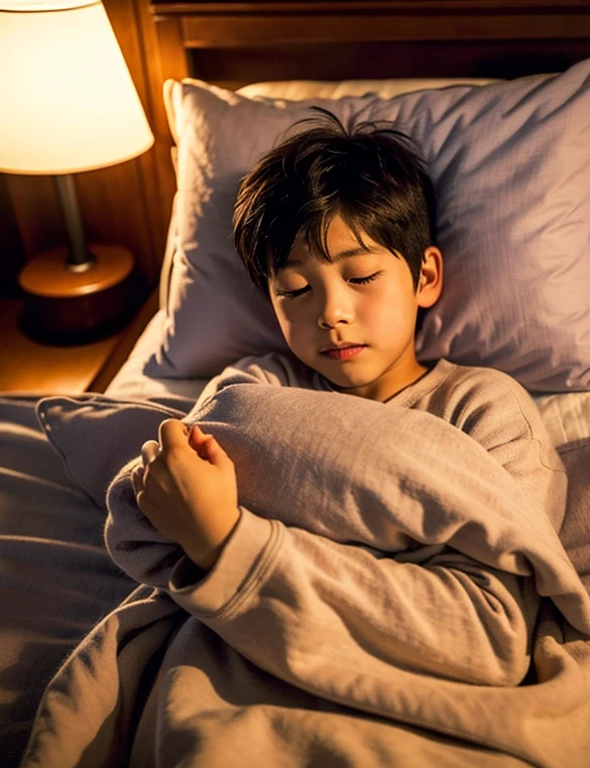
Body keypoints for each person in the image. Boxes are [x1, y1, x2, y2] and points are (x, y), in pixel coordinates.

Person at [131, 109, 567, 686]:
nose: (332, 312)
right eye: (295, 289)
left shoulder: (485, 409)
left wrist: (227, 542)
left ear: (425, 277)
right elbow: (164, 496)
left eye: (361, 276)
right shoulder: (253, 392)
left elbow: (492, 628)